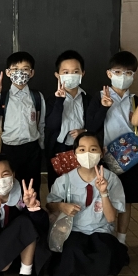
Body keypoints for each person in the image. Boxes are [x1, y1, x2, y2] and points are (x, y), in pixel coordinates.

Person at [46, 133, 128, 276]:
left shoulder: (111, 179)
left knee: (106, 252)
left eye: (93, 149)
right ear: (75, 153)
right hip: (74, 229)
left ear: (102, 152)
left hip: (101, 229)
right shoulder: (65, 179)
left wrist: (104, 193)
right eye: (82, 150)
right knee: (71, 250)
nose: (88, 154)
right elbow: (50, 206)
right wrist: (61, 206)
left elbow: (111, 218)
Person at [86, 51, 138, 246]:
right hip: (106, 158)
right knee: (104, 196)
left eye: (128, 73)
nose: (123, 76)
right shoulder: (98, 97)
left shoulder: (136, 100)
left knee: (126, 200)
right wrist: (104, 107)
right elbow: (91, 126)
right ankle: (104, 238)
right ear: (109, 73)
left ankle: (121, 241)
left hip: (131, 159)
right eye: (118, 72)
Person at [0, 52, 46, 196]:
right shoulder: (2, 96)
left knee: (32, 187)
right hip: (8, 149)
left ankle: (33, 209)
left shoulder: (37, 97)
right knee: (10, 186)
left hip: (32, 149)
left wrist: (42, 147)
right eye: (15, 69)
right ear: (8, 73)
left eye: (25, 69)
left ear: (32, 73)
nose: (20, 73)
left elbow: (41, 124)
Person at [45, 50, 90, 188]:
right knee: (58, 187)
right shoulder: (51, 100)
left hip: (83, 148)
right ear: (57, 75)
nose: (71, 75)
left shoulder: (88, 99)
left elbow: (95, 124)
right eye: (65, 72)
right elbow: (51, 125)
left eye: (76, 71)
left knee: (82, 185)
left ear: (82, 73)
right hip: (58, 148)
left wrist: (85, 131)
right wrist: (59, 101)